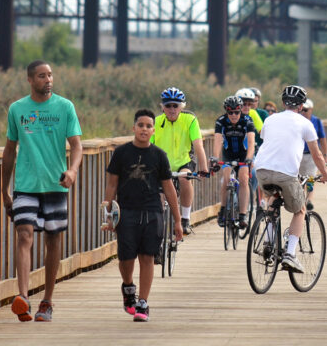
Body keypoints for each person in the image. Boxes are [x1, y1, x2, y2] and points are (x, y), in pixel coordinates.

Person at [1, 60, 83, 323]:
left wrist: (72, 171)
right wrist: (4, 189)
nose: (47, 80)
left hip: (55, 184)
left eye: (50, 75)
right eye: (41, 76)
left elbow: (77, 146)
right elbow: (9, 150)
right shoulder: (17, 109)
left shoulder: (64, 107)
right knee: (24, 235)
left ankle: (47, 300)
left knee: (53, 239)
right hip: (25, 185)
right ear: (29, 80)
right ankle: (23, 297)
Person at [102, 109, 182, 322]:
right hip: (126, 210)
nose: (144, 129)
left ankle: (143, 303)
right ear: (134, 128)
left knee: (147, 257)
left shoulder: (159, 155)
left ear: (153, 130)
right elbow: (111, 184)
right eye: (141, 125)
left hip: (152, 211)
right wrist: (108, 214)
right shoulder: (121, 153)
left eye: (148, 126)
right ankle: (128, 286)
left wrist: (177, 220)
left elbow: (168, 188)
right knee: (126, 257)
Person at [254, 85, 327, 274]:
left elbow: (268, 140)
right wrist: (326, 175)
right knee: (300, 210)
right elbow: (317, 155)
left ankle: (269, 241)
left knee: (273, 197)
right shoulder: (306, 123)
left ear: (282, 103)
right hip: (286, 173)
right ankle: (290, 254)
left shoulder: (271, 119)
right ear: (302, 105)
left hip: (261, 170)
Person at [151, 87, 209, 235]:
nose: (171, 109)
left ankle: (185, 218)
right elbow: (147, 148)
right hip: (162, 165)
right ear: (162, 107)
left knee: (184, 178)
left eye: (175, 105)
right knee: (158, 197)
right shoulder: (156, 122)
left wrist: (203, 168)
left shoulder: (190, 119)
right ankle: (158, 231)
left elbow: (198, 145)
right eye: (168, 105)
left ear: (181, 106)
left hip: (184, 161)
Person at [213, 95, 255, 229]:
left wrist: (249, 158)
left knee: (243, 178)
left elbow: (251, 142)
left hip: (243, 155)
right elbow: (218, 141)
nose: (234, 115)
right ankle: (223, 210)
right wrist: (215, 157)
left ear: (241, 110)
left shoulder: (247, 120)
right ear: (226, 111)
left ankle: (243, 214)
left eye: (237, 112)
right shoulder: (221, 121)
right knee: (226, 179)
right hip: (228, 155)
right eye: (230, 112)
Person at [299, 99, 327, 192]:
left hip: (312, 155)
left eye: (306, 110)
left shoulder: (316, 121)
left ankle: (309, 200)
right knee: (299, 180)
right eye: (302, 109)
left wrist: (325, 155)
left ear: (311, 109)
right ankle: (302, 200)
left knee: (310, 178)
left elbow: (322, 139)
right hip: (299, 154)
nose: (304, 112)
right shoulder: (297, 120)